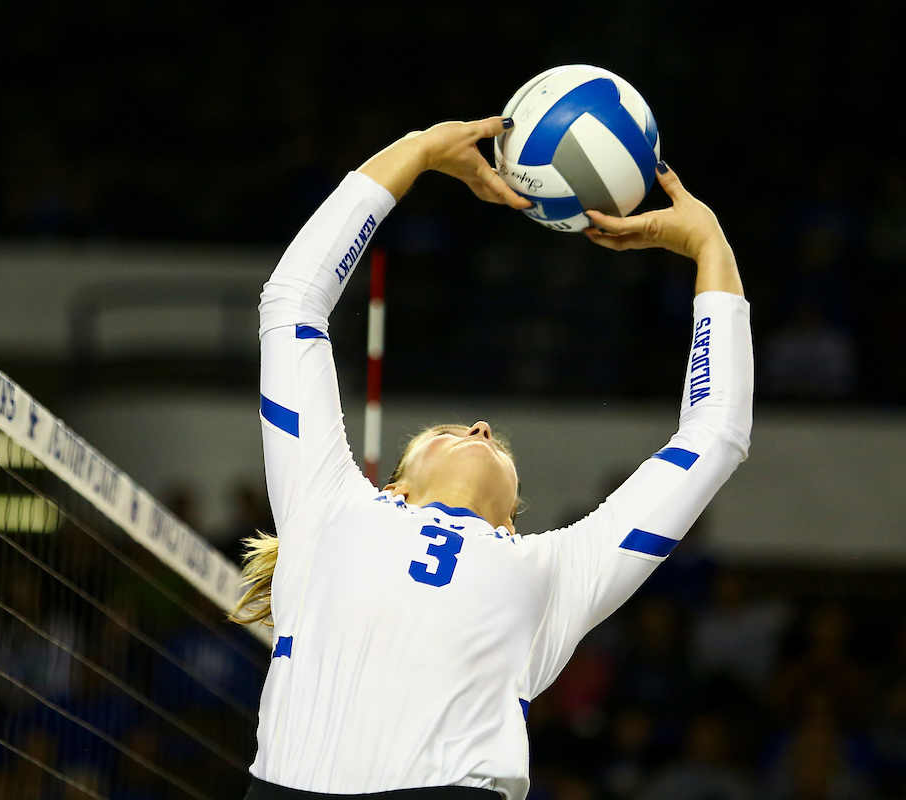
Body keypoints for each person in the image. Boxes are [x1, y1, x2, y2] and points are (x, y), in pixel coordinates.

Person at [229, 116, 752, 799]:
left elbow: (715, 436)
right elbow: (292, 300)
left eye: (495, 441)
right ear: (400, 483)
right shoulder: (326, 503)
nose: (481, 427)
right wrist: (414, 152)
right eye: (454, 430)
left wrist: (709, 246)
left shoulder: (555, 571)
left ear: (512, 520)